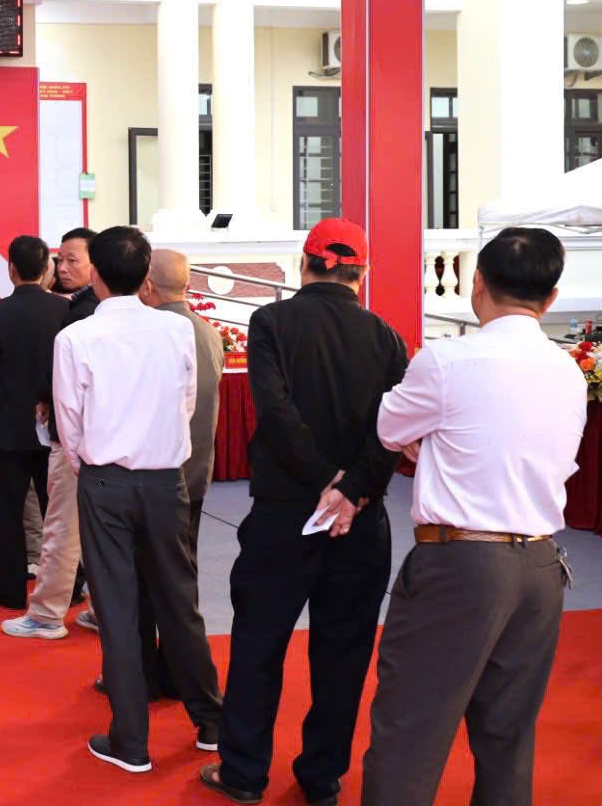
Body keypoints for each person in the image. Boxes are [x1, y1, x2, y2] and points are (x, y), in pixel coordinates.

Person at [361, 228, 585, 806]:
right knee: (508, 735)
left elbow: (389, 427)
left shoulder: (447, 360)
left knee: (411, 727)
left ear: (476, 283)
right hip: (541, 564)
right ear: (551, 298)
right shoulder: (568, 369)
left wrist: (428, 442)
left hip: (461, 563)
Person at [201, 218, 409, 806]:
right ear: (362, 272)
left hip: (284, 513)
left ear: (305, 263)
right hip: (360, 518)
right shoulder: (388, 338)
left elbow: (275, 412)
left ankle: (243, 772)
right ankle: (321, 776)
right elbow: (392, 429)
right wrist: (352, 489)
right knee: (344, 654)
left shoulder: (272, 322)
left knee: (258, 644)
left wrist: (325, 481)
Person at [53, 226, 224, 773]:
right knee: (179, 601)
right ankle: (211, 721)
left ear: (96, 275)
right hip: (165, 479)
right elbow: (186, 403)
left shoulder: (76, 338)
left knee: (119, 609)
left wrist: (92, 464)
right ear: (145, 275)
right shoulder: (176, 330)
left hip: (105, 481)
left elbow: (68, 422)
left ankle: (131, 741)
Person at [135, 248, 223, 686]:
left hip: (155, 476)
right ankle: (178, 671)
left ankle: (145, 673)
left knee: (144, 581)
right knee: (182, 578)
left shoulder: (151, 334)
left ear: (147, 285)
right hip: (196, 472)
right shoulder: (208, 332)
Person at [8, 227, 98, 639]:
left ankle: (46, 615)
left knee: (62, 529)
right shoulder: (83, 308)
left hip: (76, 439)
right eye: (59, 260)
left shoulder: (82, 316)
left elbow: (63, 378)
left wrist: (46, 399)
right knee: (100, 533)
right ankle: (102, 610)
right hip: (110, 442)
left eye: (72, 260)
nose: (62, 268)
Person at [0, 235, 71, 611]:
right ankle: (69, 585)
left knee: (7, 510)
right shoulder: (64, 310)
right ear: (47, 268)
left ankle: (10, 589)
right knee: (58, 512)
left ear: (11, 269)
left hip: (8, 423)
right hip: (57, 423)